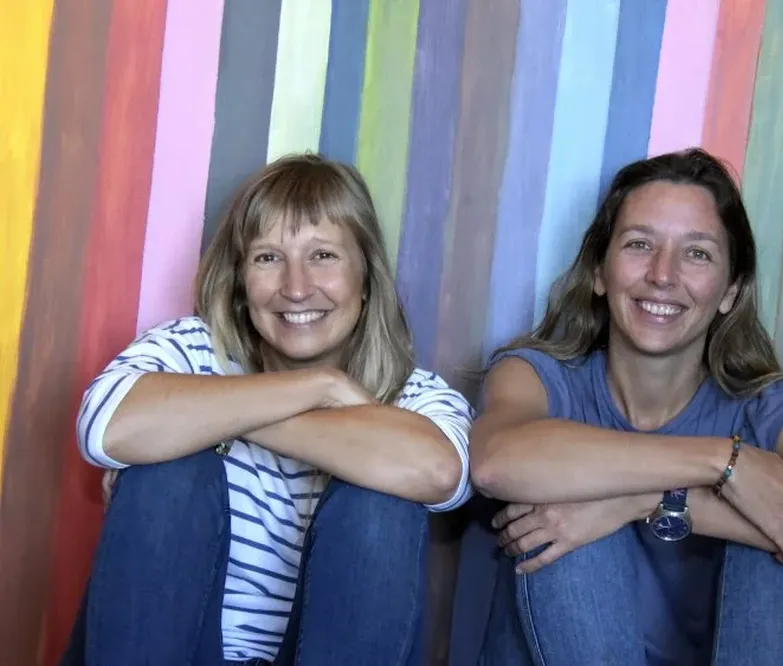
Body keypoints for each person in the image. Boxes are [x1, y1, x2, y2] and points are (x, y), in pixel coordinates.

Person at [451, 149, 783, 666]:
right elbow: (496, 462)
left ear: (731, 290)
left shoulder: (767, 408)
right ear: (599, 271)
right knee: (562, 519)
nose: (663, 275)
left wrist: (644, 501)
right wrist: (725, 463)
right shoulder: (538, 375)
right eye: (640, 244)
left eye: (697, 253)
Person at [61, 154, 474, 666]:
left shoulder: (414, 396)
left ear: (366, 278)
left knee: (381, 501)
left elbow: (438, 471)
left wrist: (210, 419)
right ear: (240, 281)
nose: (296, 287)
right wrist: (320, 386)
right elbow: (105, 425)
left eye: (323, 255)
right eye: (267, 258)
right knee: (170, 476)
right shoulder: (193, 350)